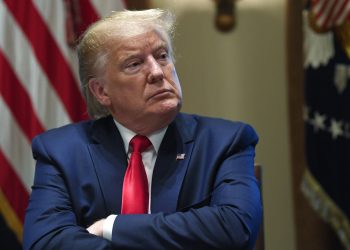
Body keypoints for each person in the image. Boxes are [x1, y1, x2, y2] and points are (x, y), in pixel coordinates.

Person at [23, 9, 262, 250]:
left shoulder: (226, 141)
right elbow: (45, 242)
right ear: (102, 91)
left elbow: (235, 229)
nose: (158, 72)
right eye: (135, 64)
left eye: (162, 56)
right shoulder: (61, 152)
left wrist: (111, 227)